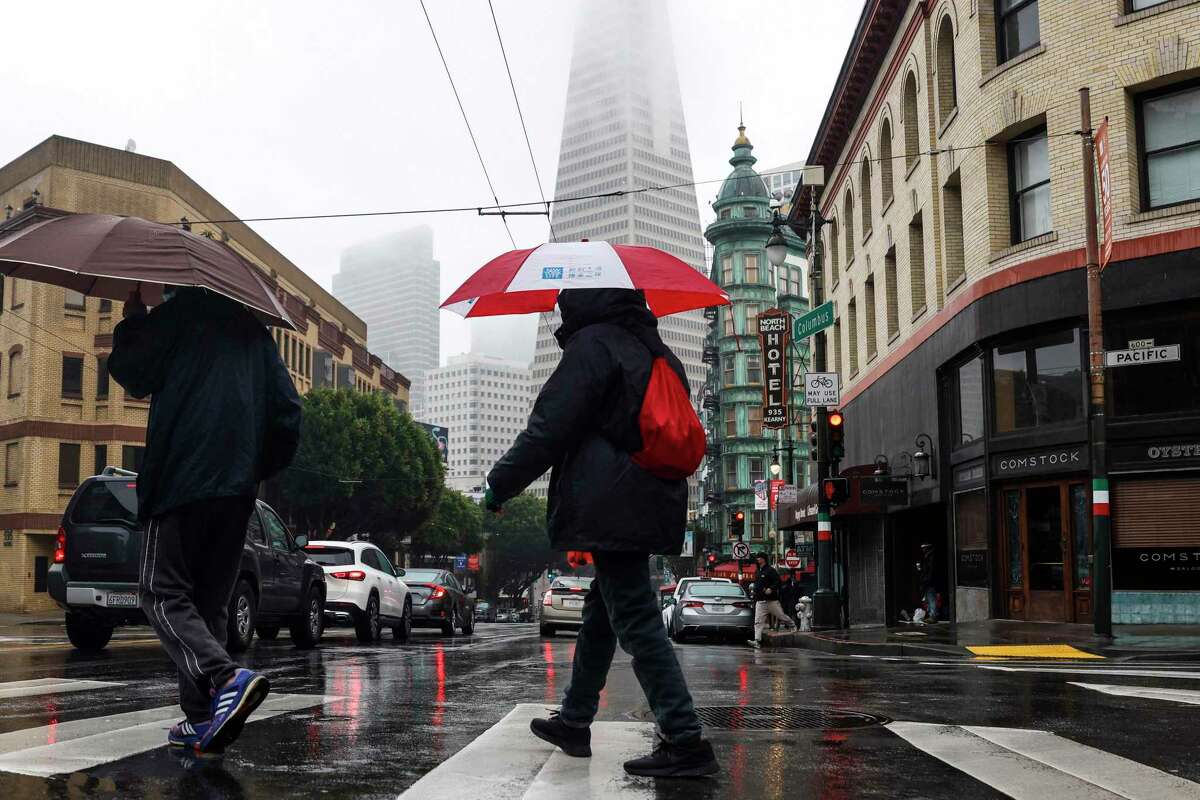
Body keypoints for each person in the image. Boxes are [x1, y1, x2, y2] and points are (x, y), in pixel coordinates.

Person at [484, 288, 719, 779]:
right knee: (603, 611)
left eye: (566, 302)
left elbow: (549, 428)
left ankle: (685, 738)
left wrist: (499, 484)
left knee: (635, 618)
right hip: (650, 498)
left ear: (585, 301)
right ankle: (574, 720)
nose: (561, 310)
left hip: (613, 502)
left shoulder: (594, 346)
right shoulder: (655, 348)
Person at [108, 287, 301, 754]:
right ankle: (201, 717)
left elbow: (135, 372)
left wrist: (134, 318)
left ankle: (226, 677)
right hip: (237, 491)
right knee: (209, 604)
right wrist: (250, 468)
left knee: (161, 591)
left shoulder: (177, 315)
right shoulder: (254, 332)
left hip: (179, 479)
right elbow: (289, 415)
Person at [752, 553, 795, 645]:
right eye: (757, 558)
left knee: (781, 616)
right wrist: (755, 591)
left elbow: (778, 582)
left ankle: (792, 625)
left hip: (771, 601)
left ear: (764, 559)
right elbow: (757, 585)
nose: (757, 559)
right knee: (758, 621)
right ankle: (757, 640)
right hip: (760, 601)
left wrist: (771, 588)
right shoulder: (757, 572)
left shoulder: (771, 570)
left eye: (759, 557)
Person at [917, 543, 938, 623]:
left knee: (931, 598)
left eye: (924, 548)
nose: (923, 550)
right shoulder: (927, 557)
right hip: (927, 581)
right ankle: (931, 615)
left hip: (929, 582)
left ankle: (933, 615)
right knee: (929, 599)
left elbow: (930, 571)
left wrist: (926, 580)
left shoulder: (931, 557)